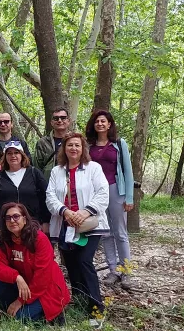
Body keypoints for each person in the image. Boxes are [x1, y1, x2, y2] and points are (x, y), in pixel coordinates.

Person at [45, 132, 110, 324]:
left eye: (77, 145)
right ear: (64, 149)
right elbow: (50, 196)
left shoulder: (93, 168)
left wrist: (85, 212)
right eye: (70, 145)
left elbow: (103, 193)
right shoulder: (57, 171)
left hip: (89, 224)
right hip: (66, 224)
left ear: (83, 149)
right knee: (71, 263)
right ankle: (80, 299)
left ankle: (96, 308)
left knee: (84, 261)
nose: (74, 148)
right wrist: (65, 211)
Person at [0, 203, 69, 325]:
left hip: (47, 289)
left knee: (19, 319)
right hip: (25, 285)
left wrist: (20, 301)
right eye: (8, 218)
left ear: (25, 219)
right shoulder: (6, 240)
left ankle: (53, 313)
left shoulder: (39, 239)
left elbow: (42, 277)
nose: (12, 220)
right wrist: (17, 277)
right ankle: (18, 309)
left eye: (16, 216)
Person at [84, 109, 135, 288]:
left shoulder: (119, 144)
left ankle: (126, 272)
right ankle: (113, 271)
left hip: (115, 189)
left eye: (103, 121)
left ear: (109, 124)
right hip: (97, 194)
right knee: (105, 232)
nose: (100, 124)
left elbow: (128, 172)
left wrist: (129, 197)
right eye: (97, 121)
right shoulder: (89, 146)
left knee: (120, 232)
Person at [0, 142, 50, 231]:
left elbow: (46, 197)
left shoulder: (34, 173)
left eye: (16, 152)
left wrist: (46, 221)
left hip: (32, 226)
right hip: (6, 227)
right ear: (5, 156)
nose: (13, 156)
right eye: (9, 153)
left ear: (22, 155)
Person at [33, 108, 71, 177]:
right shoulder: (42, 143)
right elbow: (37, 168)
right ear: (51, 122)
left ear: (68, 121)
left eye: (63, 118)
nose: (59, 121)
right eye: (56, 118)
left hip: (72, 183)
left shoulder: (76, 141)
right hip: (48, 183)